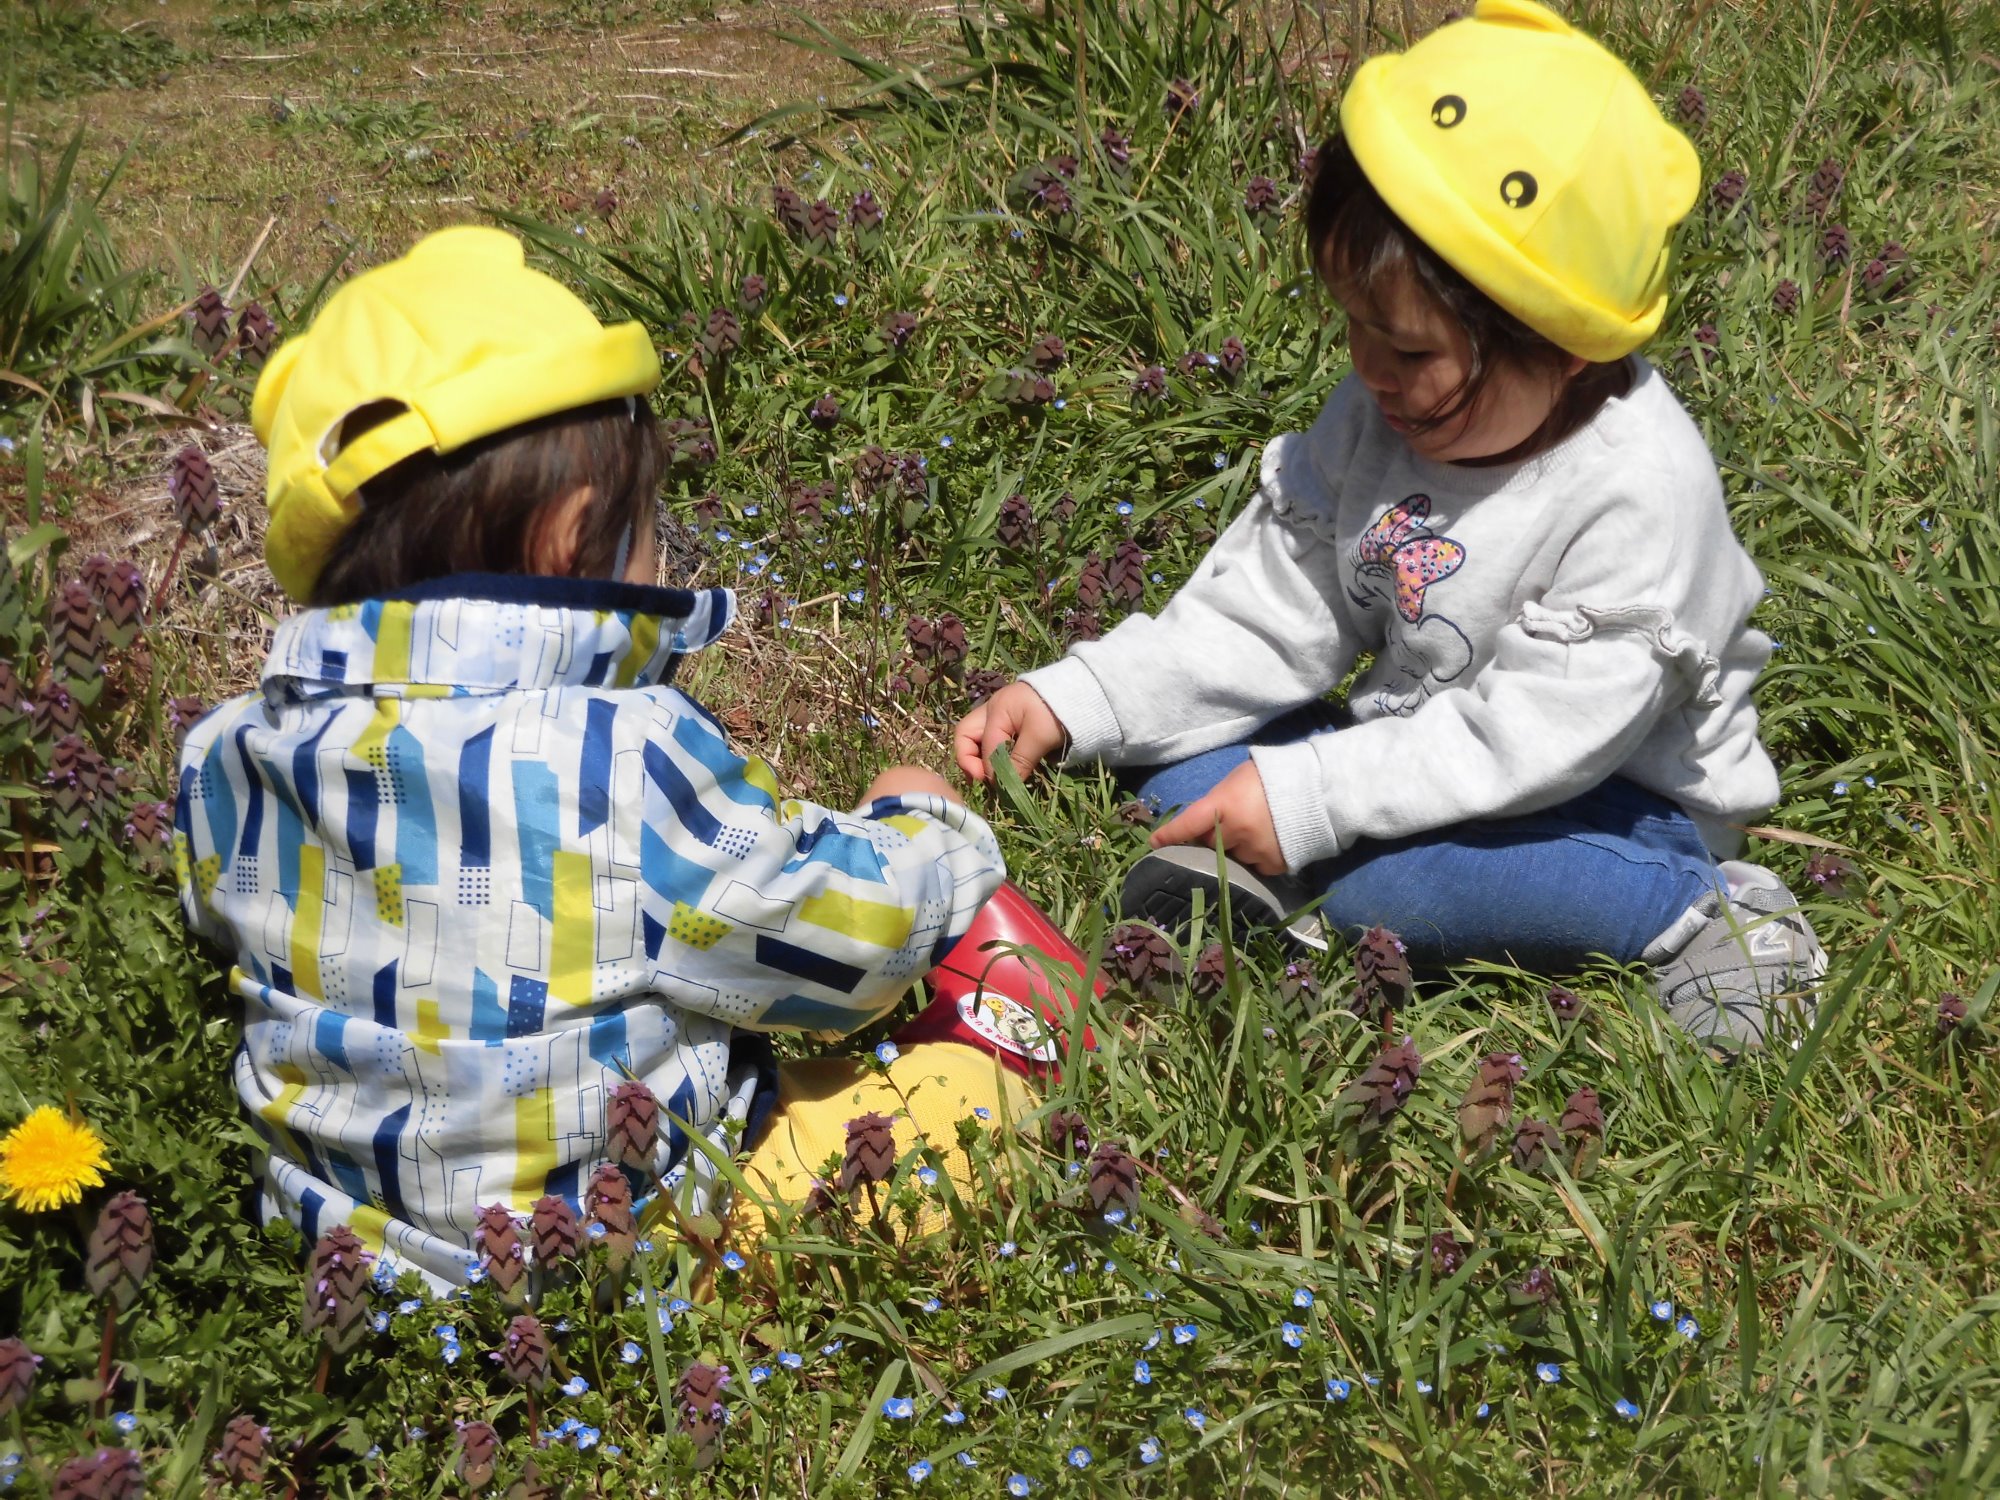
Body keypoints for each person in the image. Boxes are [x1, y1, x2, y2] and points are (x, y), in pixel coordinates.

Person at [956, 0, 1825, 1049]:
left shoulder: (1635, 489)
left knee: (1405, 896)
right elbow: (1269, 613)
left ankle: (1703, 909)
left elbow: (1533, 741)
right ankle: (1289, 868)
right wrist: (1080, 697)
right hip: (1411, 747)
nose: (1370, 374)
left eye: (1410, 352)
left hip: (1602, 806)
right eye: (1354, 328)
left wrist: (1309, 789)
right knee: (1164, 759)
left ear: (1564, 347)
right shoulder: (1374, 420)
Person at [173, 225, 1022, 1288]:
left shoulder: (223, 755)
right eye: (651, 523)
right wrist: (923, 832)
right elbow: (846, 956)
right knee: (971, 1103)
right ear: (573, 538)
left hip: (344, 1265)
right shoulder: (619, 760)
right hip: (612, 1260)